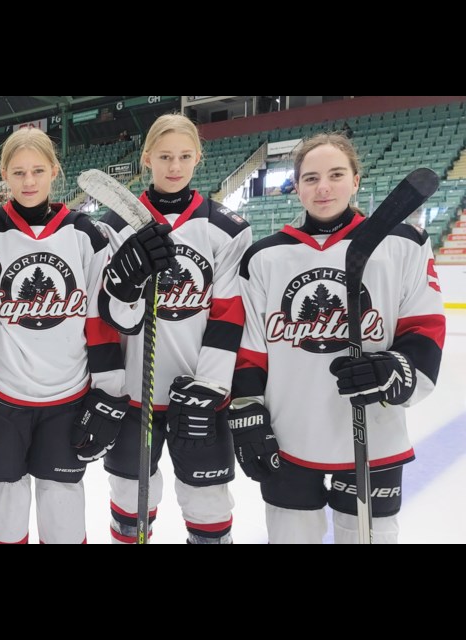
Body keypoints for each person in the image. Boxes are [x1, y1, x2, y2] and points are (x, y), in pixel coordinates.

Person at [231, 132, 445, 544]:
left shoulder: (404, 243)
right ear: (296, 187)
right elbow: (251, 350)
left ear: (356, 180)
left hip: (374, 436)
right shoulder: (264, 257)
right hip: (290, 434)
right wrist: (247, 412)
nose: (323, 187)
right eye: (310, 178)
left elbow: (425, 327)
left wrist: (398, 370)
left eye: (335, 174)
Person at [0, 127, 147, 544]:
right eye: (18, 172)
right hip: (1, 398)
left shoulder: (86, 234)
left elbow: (99, 319)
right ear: (4, 174)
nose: (28, 181)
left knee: (63, 513)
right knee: (3, 514)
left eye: (38, 170)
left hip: (67, 399)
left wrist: (110, 390)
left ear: (54, 171)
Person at [98, 113, 251, 544]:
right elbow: (109, 320)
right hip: (134, 395)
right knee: (129, 501)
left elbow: (227, 316)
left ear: (198, 158)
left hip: (199, 396)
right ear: (147, 158)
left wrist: (211, 387)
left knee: (208, 504)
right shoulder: (111, 226)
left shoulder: (226, 229)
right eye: (164, 156)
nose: (174, 166)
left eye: (184, 156)